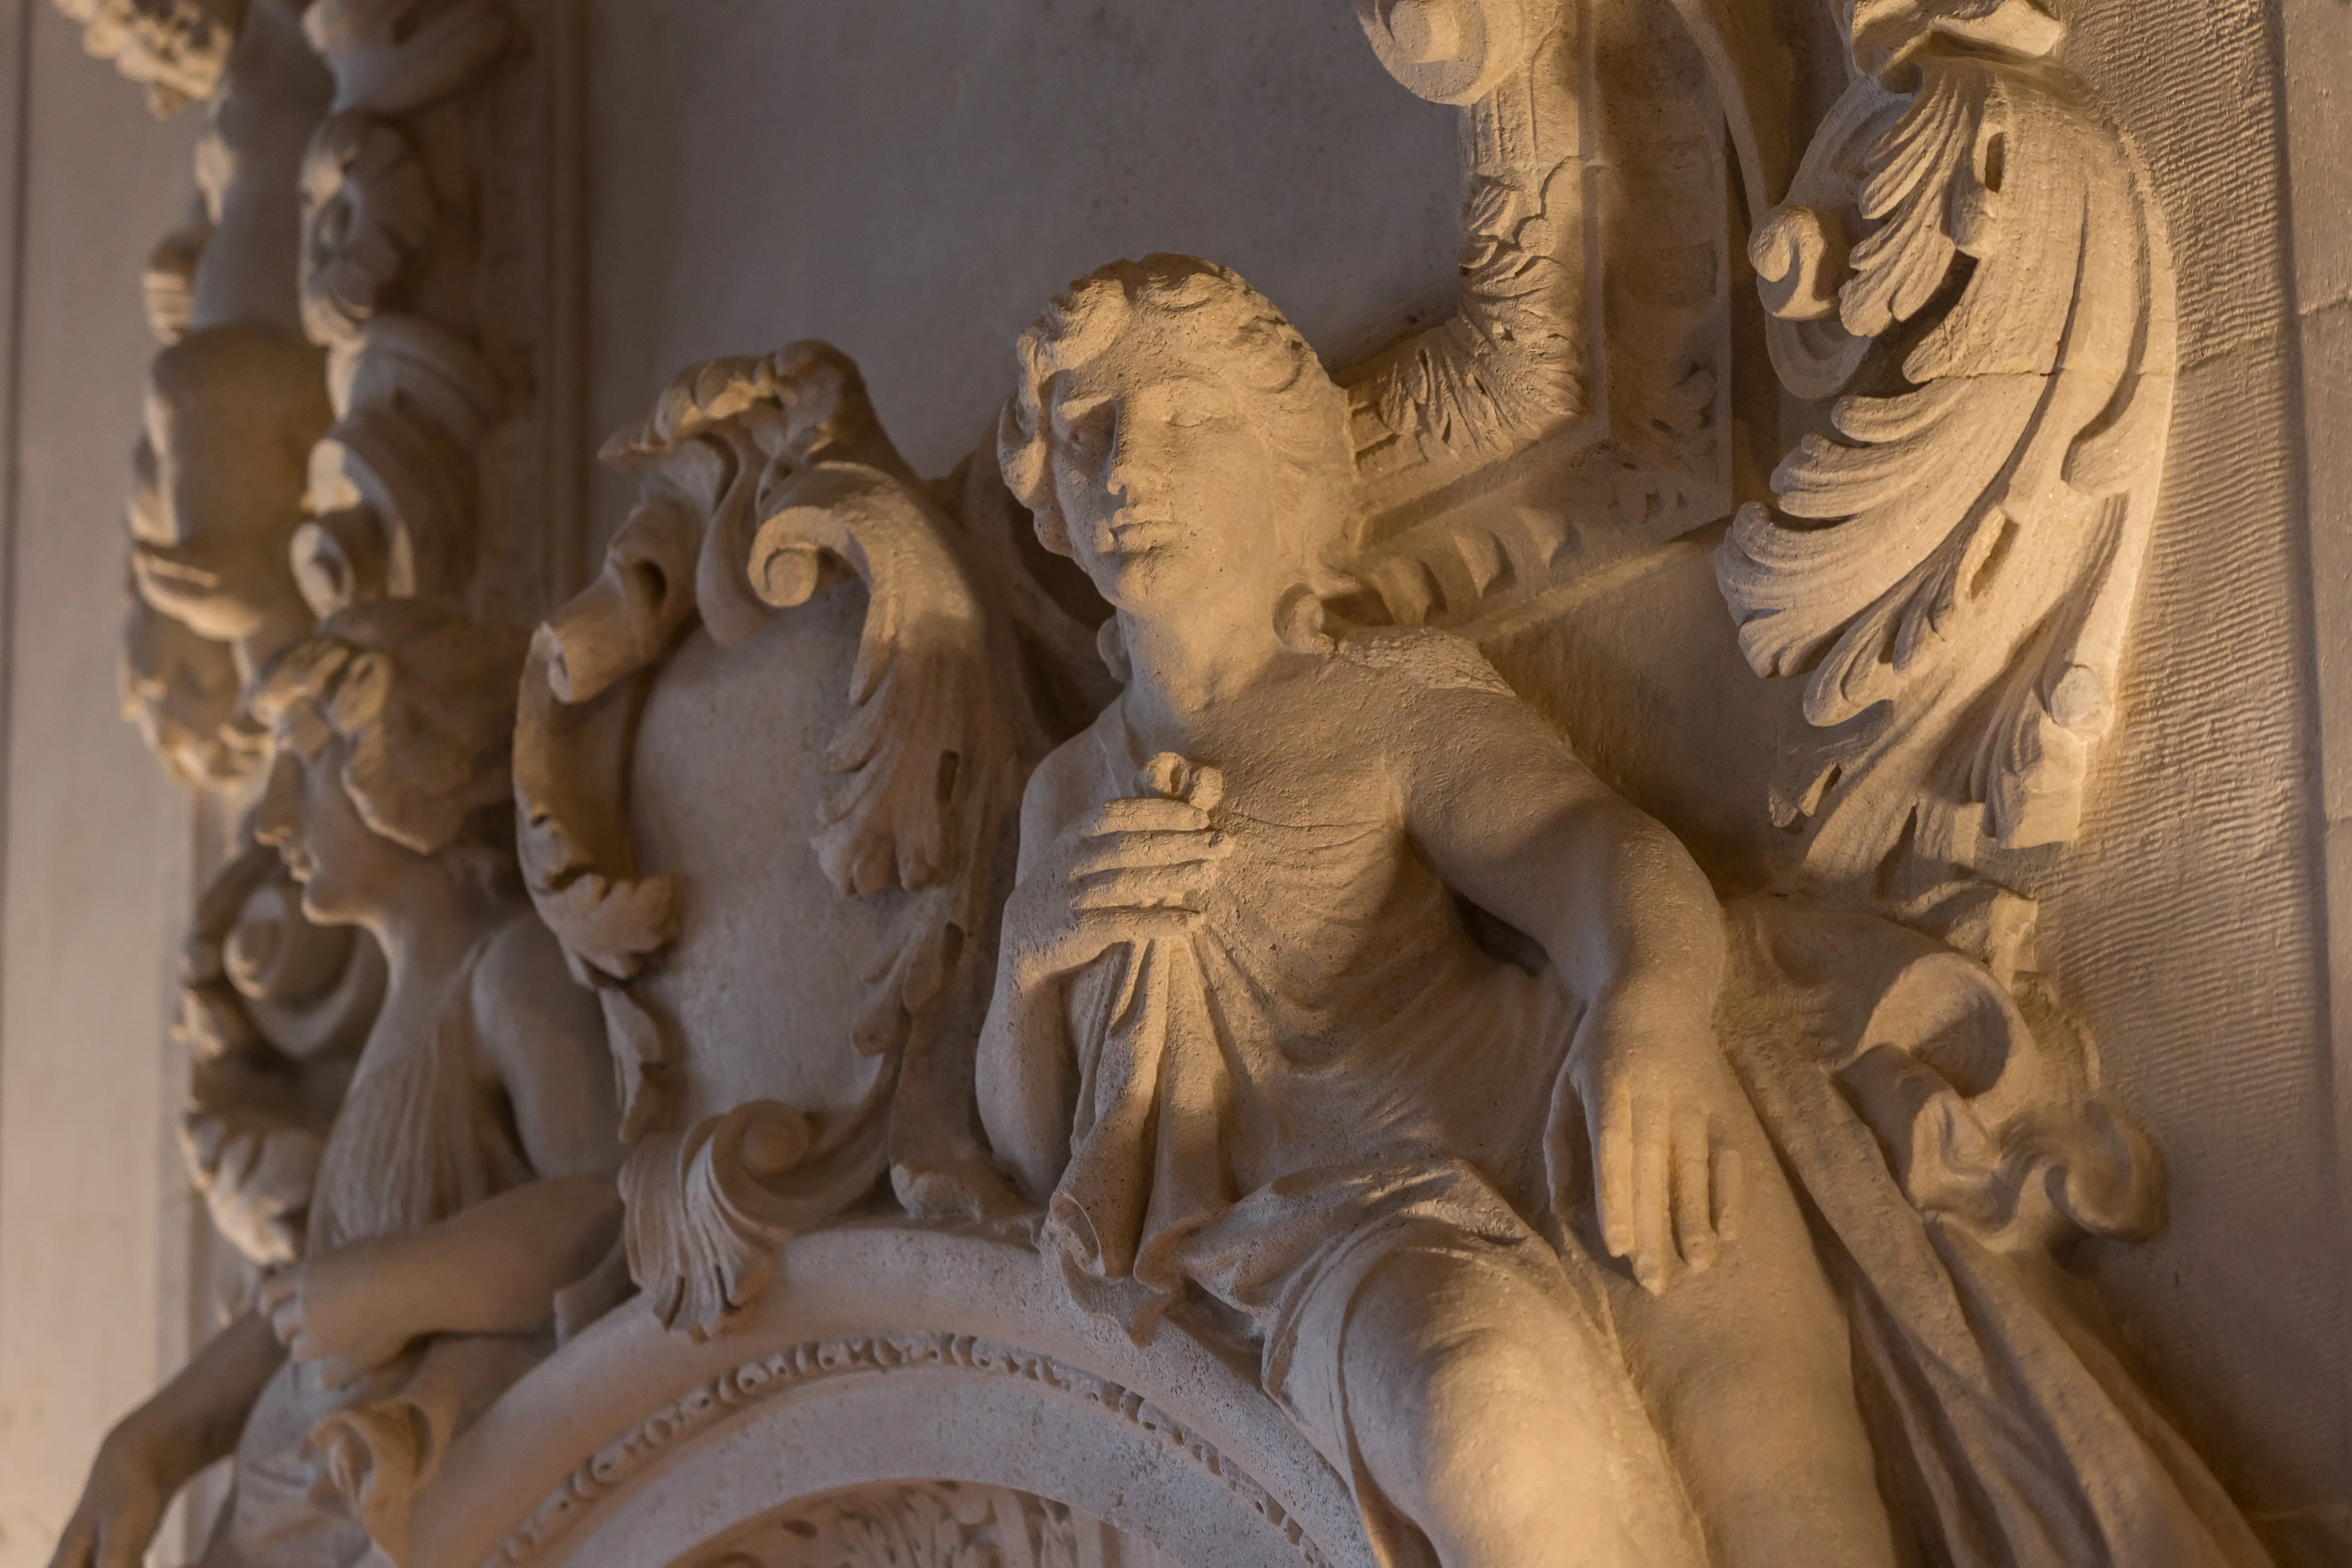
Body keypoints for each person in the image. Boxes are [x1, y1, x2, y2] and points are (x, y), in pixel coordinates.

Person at [979, 256, 1897, 1568]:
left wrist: (1647, 1011)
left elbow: (1588, 857)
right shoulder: (1066, 792)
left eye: (1185, 423)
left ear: (1285, 464)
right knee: (1484, 1430)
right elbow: (1036, 1155)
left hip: (1564, 1127)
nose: (1128, 467)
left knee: (1794, 1505)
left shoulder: (1382, 698)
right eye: (1088, 432)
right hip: (1341, 1229)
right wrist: (1027, 957)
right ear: (1049, 503)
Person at [50, 599, 622, 1568]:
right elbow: (301, 1310)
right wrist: (149, 1443)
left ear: (411, 754)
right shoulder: (401, 1032)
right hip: (298, 1505)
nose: (272, 822)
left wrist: (387, 1289)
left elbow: (603, 1212)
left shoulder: (508, 979)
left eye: (304, 765)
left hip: (401, 1493)